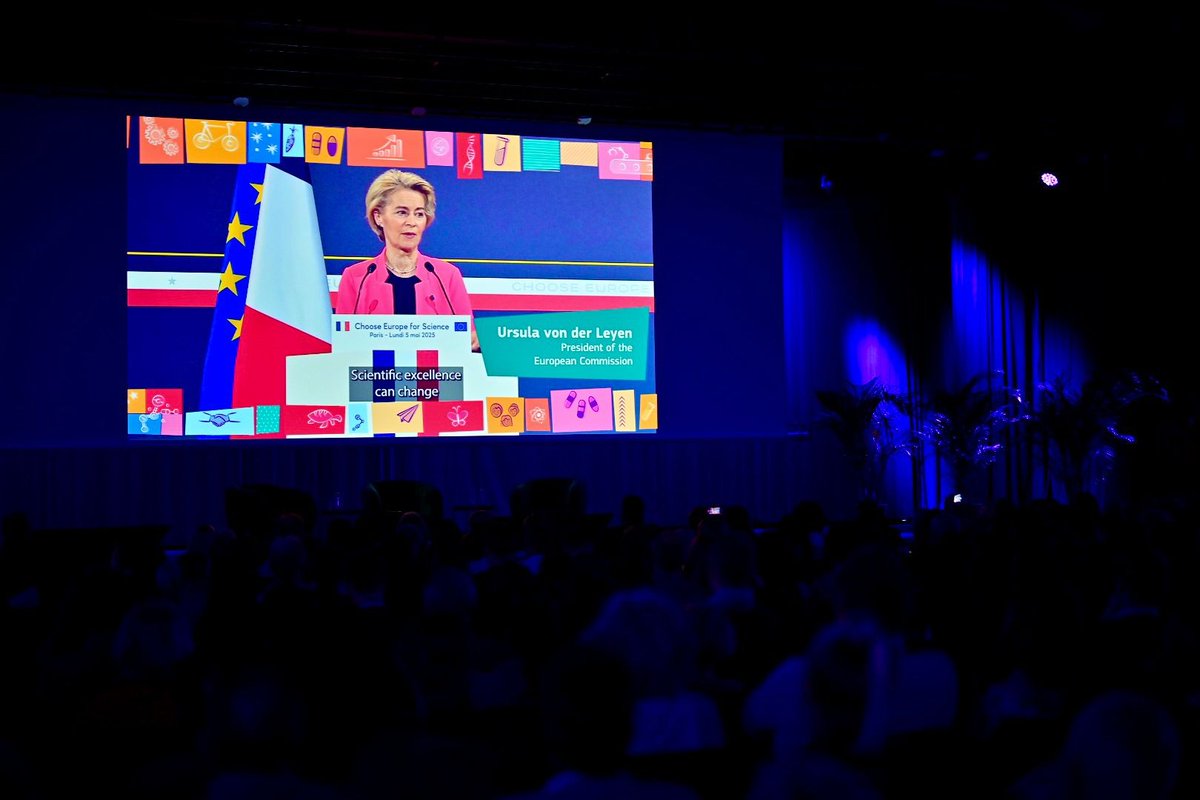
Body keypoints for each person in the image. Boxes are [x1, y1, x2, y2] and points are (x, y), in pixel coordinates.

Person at [335, 169, 480, 351]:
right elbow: (345, 348)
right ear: (378, 217)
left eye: (419, 214)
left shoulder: (446, 276)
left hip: (437, 377)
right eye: (402, 212)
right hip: (376, 376)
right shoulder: (357, 277)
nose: (412, 222)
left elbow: (468, 342)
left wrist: (477, 341)